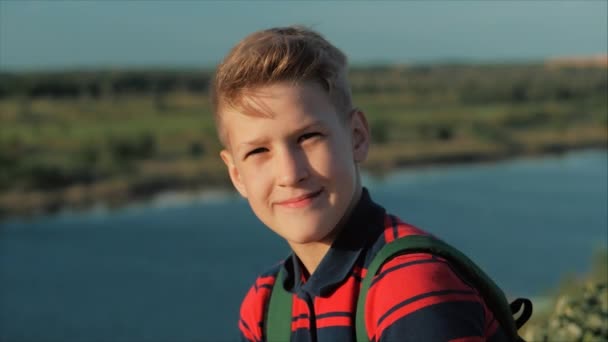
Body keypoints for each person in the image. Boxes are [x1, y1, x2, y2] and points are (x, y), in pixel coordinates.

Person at [210, 26, 518, 341]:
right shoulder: (264, 307)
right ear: (237, 175)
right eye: (258, 151)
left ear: (356, 137)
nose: (290, 174)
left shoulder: (407, 285)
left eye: (308, 137)